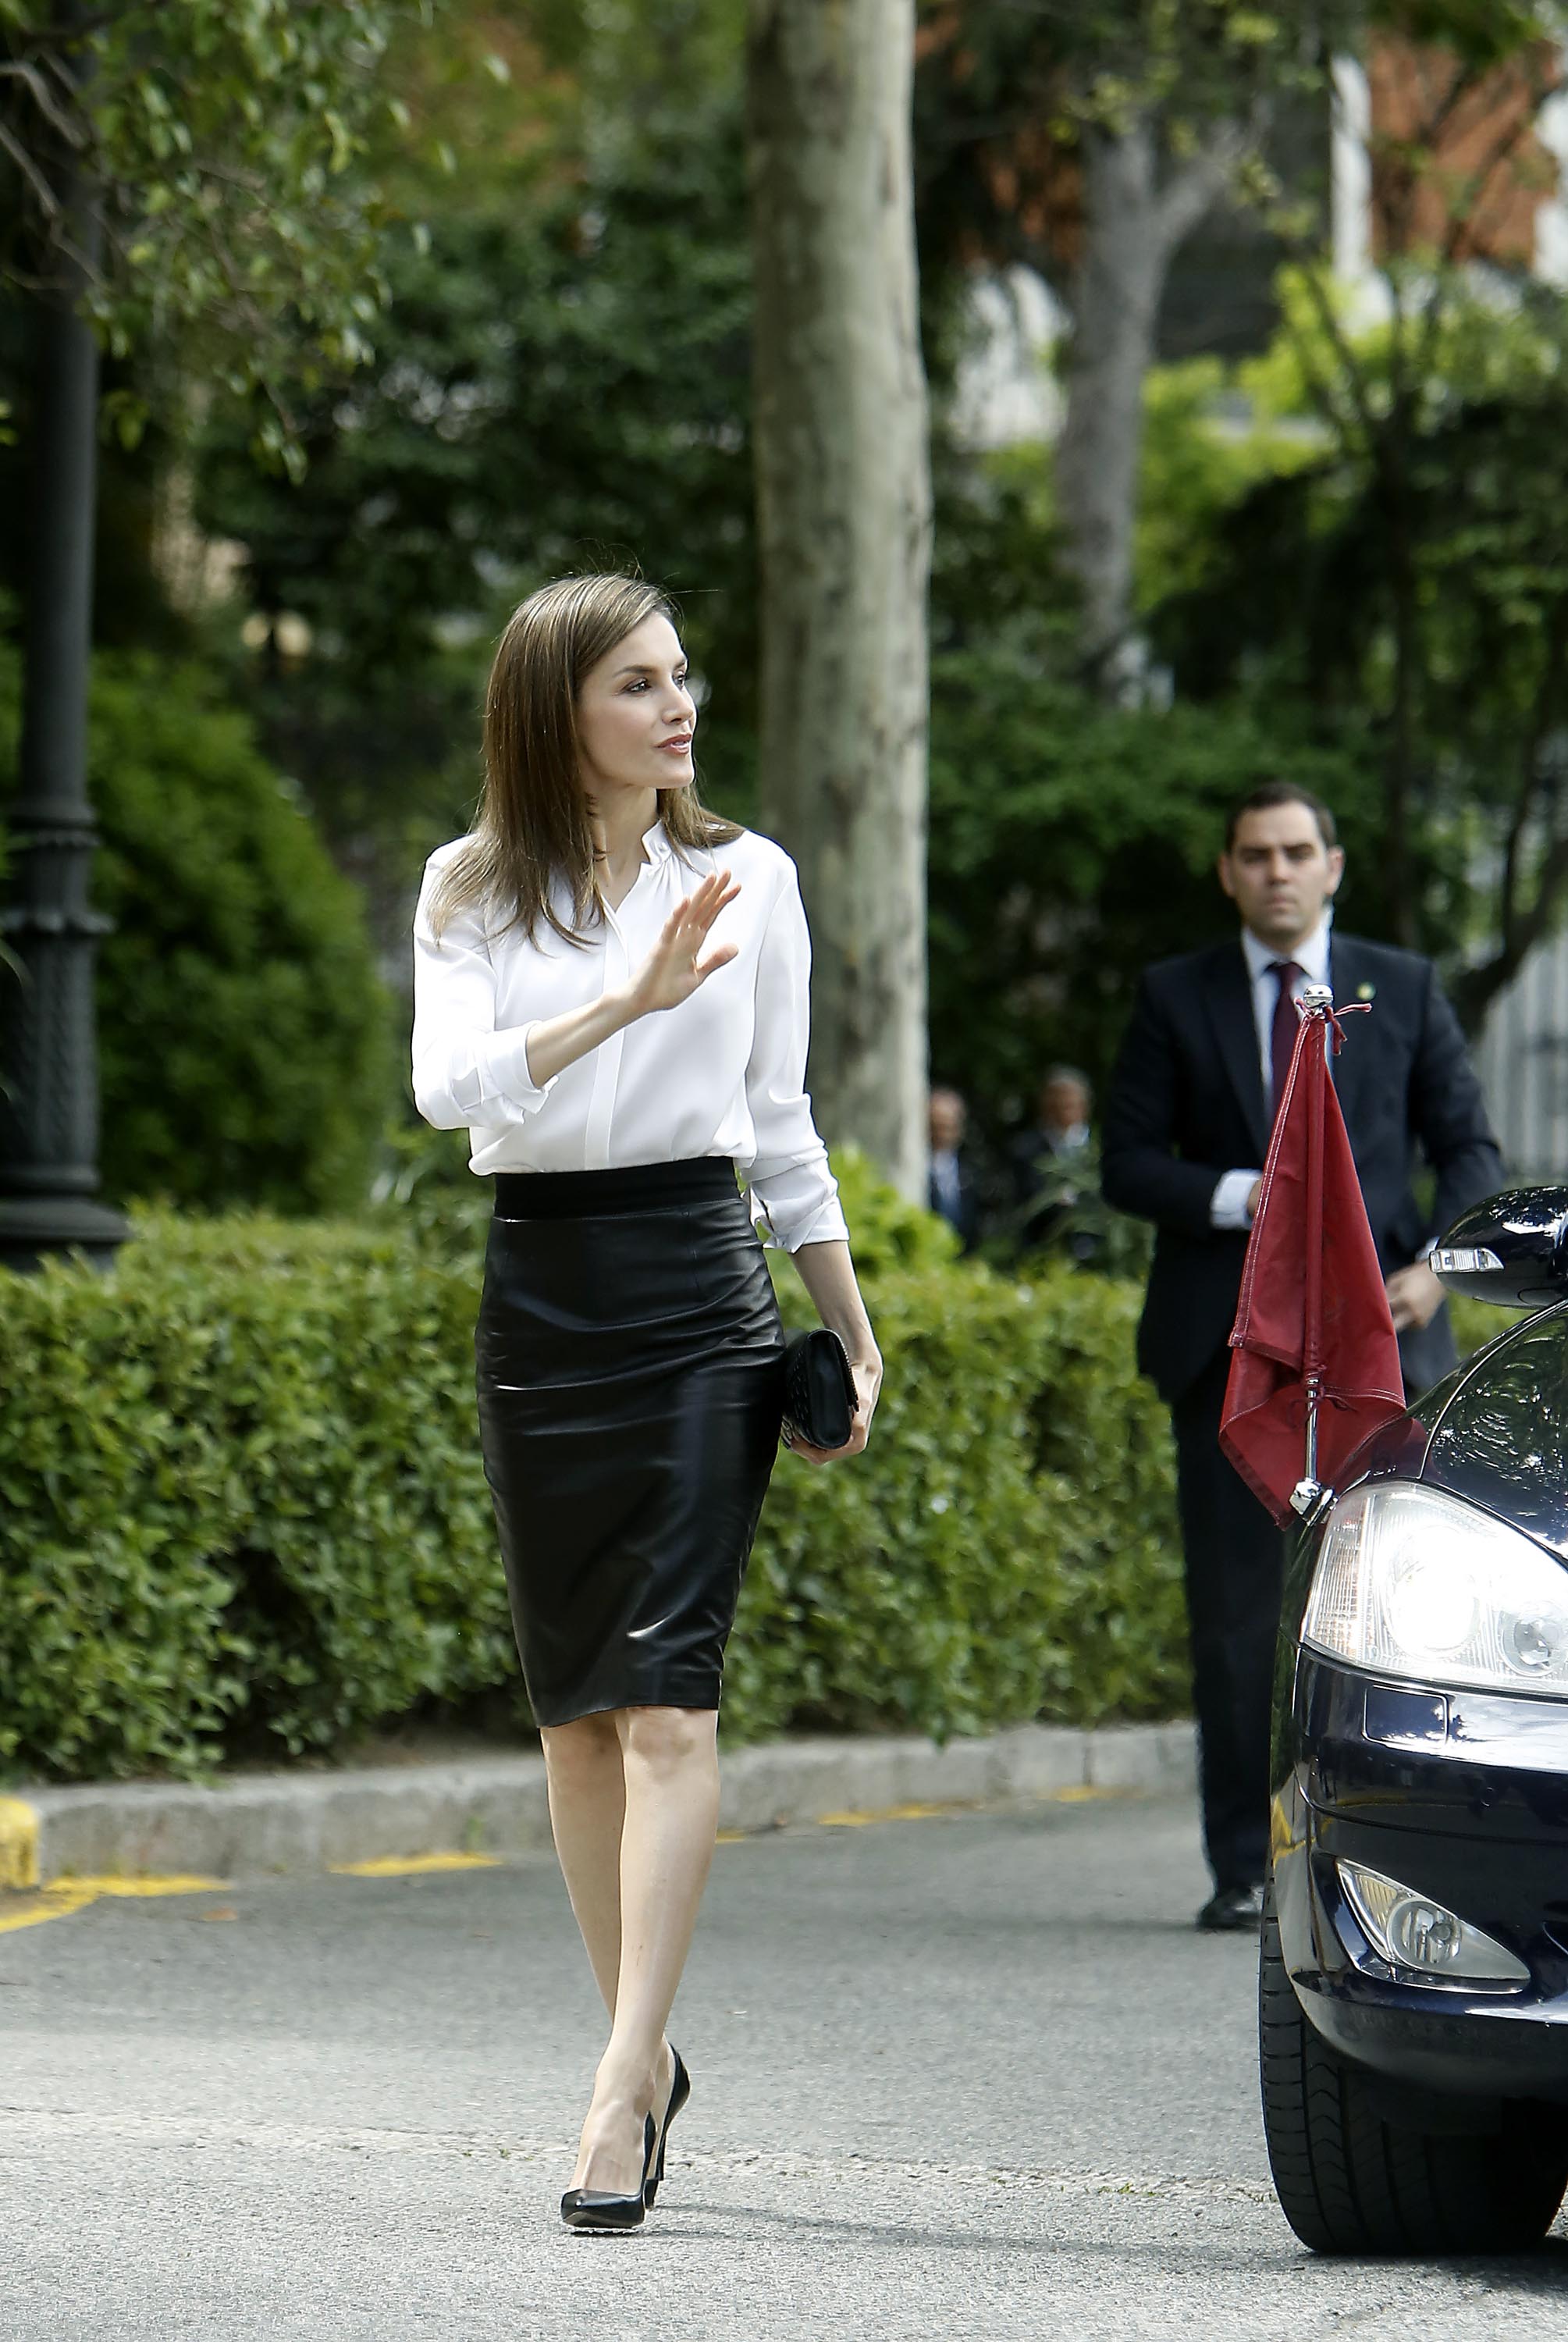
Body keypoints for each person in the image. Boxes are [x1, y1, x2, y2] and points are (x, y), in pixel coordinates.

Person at [411, 574, 882, 2230]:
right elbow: (446, 1091)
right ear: (558, 713)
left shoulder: (750, 874)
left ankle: (617, 2093)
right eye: (636, 682)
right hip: (542, 1293)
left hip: (697, 1297)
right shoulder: (466, 888)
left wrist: (848, 1320)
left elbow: (778, 1123)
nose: (677, 707)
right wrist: (624, 999)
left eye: (680, 677)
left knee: (667, 1705)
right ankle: (649, 2048)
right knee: (573, 1721)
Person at [1101, 782, 1501, 1934]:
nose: (1277, 872)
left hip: (1383, 1352)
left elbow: (1466, 1144)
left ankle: (1407, 1873)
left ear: (1331, 866)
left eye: (1296, 853)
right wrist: (1253, 1199)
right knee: (1234, 1622)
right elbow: (1127, 1163)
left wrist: (1435, 1264)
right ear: (1228, 874)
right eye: (1254, 856)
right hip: (1227, 1357)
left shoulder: (1405, 988)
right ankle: (1240, 1868)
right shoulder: (1173, 997)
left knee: (1402, 1614)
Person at [1008, 1066, 1098, 1256]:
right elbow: (1028, 1202)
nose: (1063, 1108)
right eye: (1057, 1103)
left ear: (1084, 1105)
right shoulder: (1026, 1150)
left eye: (1069, 1103)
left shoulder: (1100, 1148)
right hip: (1043, 1249)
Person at [928, 1085, 982, 1252]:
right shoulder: (913, 1170)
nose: (941, 1134)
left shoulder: (972, 1171)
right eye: (935, 1126)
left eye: (947, 1127)